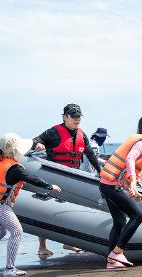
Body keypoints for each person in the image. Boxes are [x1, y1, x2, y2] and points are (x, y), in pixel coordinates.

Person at [0, 133, 61, 276]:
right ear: (13, 151)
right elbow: (32, 178)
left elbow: (6, 179)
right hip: (0, 206)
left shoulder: (0, 160)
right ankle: (10, 268)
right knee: (16, 231)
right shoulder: (15, 168)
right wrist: (50, 186)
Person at [32, 103, 101, 255]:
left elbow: (90, 155)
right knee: (44, 212)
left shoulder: (82, 135)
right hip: (52, 178)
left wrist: (100, 171)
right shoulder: (53, 132)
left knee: (71, 211)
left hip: (71, 179)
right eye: (74, 116)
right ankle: (42, 246)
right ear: (65, 117)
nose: (77, 119)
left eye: (79, 117)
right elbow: (35, 140)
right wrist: (37, 144)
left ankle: (69, 243)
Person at [99, 114, 142, 269]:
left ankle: (111, 261)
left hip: (107, 184)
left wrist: (132, 189)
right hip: (111, 186)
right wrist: (133, 183)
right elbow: (129, 160)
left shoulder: (136, 139)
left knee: (119, 222)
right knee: (138, 216)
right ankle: (117, 252)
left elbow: (122, 171)